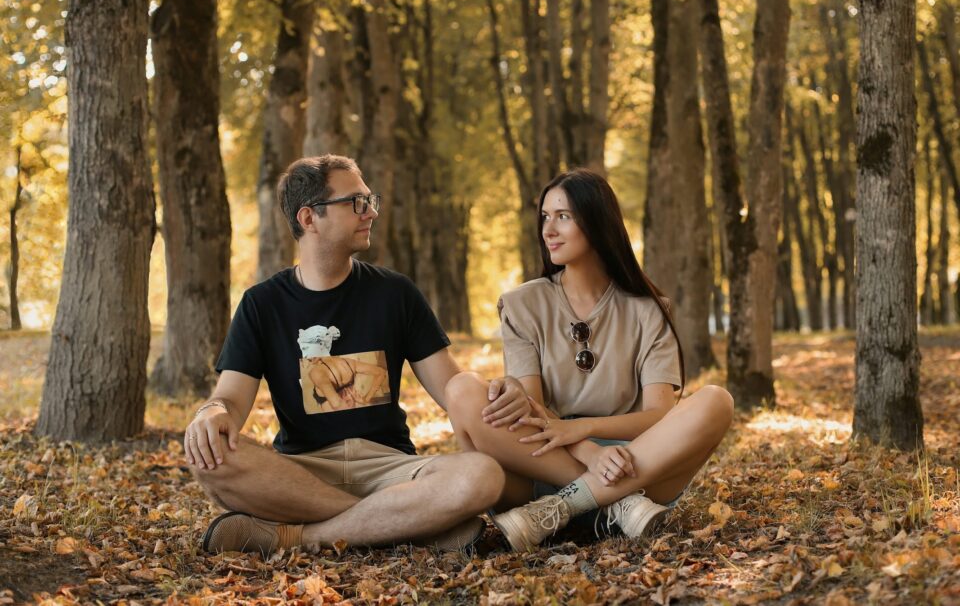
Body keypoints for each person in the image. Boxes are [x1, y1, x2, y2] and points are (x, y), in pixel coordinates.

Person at [185, 155, 531, 556]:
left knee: (483, 475)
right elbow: (229, 400)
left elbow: (451, 385)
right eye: (355, 203)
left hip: (391, 469)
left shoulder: (395, 293)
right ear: (309, 218)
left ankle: (301, 537)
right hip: (302, 471)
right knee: (207, 457)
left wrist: (496, 389)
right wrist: (210, 412)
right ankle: (406, 526)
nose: (370, 212)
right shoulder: (261, 304)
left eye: (370, 200)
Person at [445, 168, 735, 552]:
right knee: (462, 388)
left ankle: (564, 507)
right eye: (545, 217)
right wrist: (590, 452)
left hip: (637, 467)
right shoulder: (521, 305)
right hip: (543, 464)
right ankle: (616, 504)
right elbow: (531, 411)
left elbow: (658, 416)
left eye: (563, 216)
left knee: (717, 399)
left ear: (598, 221)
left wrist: (584, 429)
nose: (549, 229)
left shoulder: (649, 310)